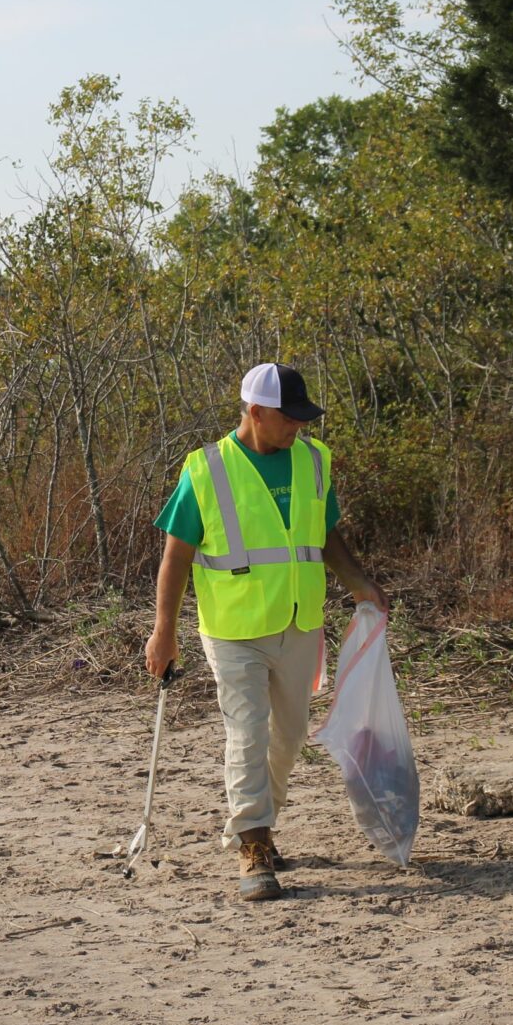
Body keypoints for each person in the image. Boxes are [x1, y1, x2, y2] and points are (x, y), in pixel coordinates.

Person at [144, 363, 387, 902]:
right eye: (288, 417)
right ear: (255, 412)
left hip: (300, 621)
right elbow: (175, 556)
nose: (298, 427)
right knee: (247, 733)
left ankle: (258, 824)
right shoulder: (205, 471)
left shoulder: (313, 460)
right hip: (233, 631)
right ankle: (253, 844)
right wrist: (164, 632)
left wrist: (360, 583)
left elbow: (325, 535)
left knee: (290, 735)